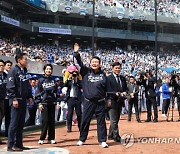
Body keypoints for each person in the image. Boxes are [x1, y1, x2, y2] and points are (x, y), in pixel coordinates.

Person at [73, 43, 108, 148]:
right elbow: (77, 63)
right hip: (88, 101)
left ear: (100, 64)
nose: (94, 63)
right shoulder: (85, 72)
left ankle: (102, 140)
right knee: (85, 121)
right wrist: (76, 53)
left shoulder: (103, 75)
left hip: (100, 102)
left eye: (96, 62)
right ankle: (82, 139)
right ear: (90, 63)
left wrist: (108, 99)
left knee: (101, 122)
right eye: (93, 62)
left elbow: (106, 88)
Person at [6, 52, 33, 151]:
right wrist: (13, 98)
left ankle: (19, 143)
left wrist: (30, 97)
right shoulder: (13, 71)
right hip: (16, 100)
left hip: (23, 101)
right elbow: (10, 86)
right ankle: (10, 145)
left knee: (21, 124)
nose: (27, 61)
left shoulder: (24, 71)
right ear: (19, 60)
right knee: (14, 123)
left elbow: (27, 86)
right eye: (25, 59)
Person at [36, 64, 57, 145]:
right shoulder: (41, 80)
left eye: (50, 69)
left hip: (52, 103)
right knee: (45, 121)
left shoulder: (53, 80)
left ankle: (51, 138)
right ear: (44, 70)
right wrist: (39, 103)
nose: (48, 70)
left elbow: (55, 92)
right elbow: (38, 92)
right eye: (47, 69)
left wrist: (56, 100)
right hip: (44, 103)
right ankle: (42, 138)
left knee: (52, 121)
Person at [106, 62, 127, 143]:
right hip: (112, 100)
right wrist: (115, 93)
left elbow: (125, 88)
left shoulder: (122, 78)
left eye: (119, 68)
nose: (117, 69)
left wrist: (125, 92)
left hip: (120, 101)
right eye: (116, 68)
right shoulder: (108, 78)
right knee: (114, 120)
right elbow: (107, 90)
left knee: (116, 119)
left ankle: (110, 134)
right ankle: (116, 136)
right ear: (112, 69)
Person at [64, 65, 82, 132]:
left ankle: (80, 127)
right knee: (69, 114)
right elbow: (65, 84)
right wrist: (70, 78)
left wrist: (76, 79)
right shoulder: (69, 81)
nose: (74, 75)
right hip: (70, 99)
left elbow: (81, 85)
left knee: (79, 113)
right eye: (73, 74)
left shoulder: (78, 81)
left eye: (75, 74)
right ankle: (69, 127)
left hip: (77, 99)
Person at [3, 60, 12, 137]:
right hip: (2, 99)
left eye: (10, 65)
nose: (9, 67)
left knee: (9, 116)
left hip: (8, 98)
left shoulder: (10, 75)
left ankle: (7, 133)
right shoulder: (3, 75)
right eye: (8, 65)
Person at [0, 59, 7, 144]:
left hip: (3, 99)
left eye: (2, 65)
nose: (1, 67)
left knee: (0, 118)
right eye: (0, 65)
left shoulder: (6, 75)